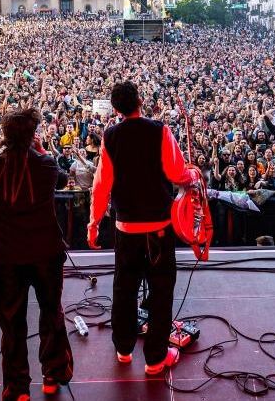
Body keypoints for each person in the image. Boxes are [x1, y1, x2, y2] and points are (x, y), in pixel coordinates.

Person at [88, 81, 199, 376]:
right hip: (158, 230)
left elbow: (101, 185)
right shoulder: (160, 130)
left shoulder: (110, 136)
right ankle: (155, 359)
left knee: (124, 289)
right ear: (140, 101)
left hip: (125, 229)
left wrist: (94, 222)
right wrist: (192, 173)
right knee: (161, 291)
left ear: (115, 109)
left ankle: (123, 350)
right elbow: (177, 173)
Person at [0, 108, 74, 401]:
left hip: (4, 258)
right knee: (51, 313)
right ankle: (53, 374)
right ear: (33, 134)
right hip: (46, 254)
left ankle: (17, 388)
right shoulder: (47, 165)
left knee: (12, 325)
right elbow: (62, 179)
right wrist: (38, 149)